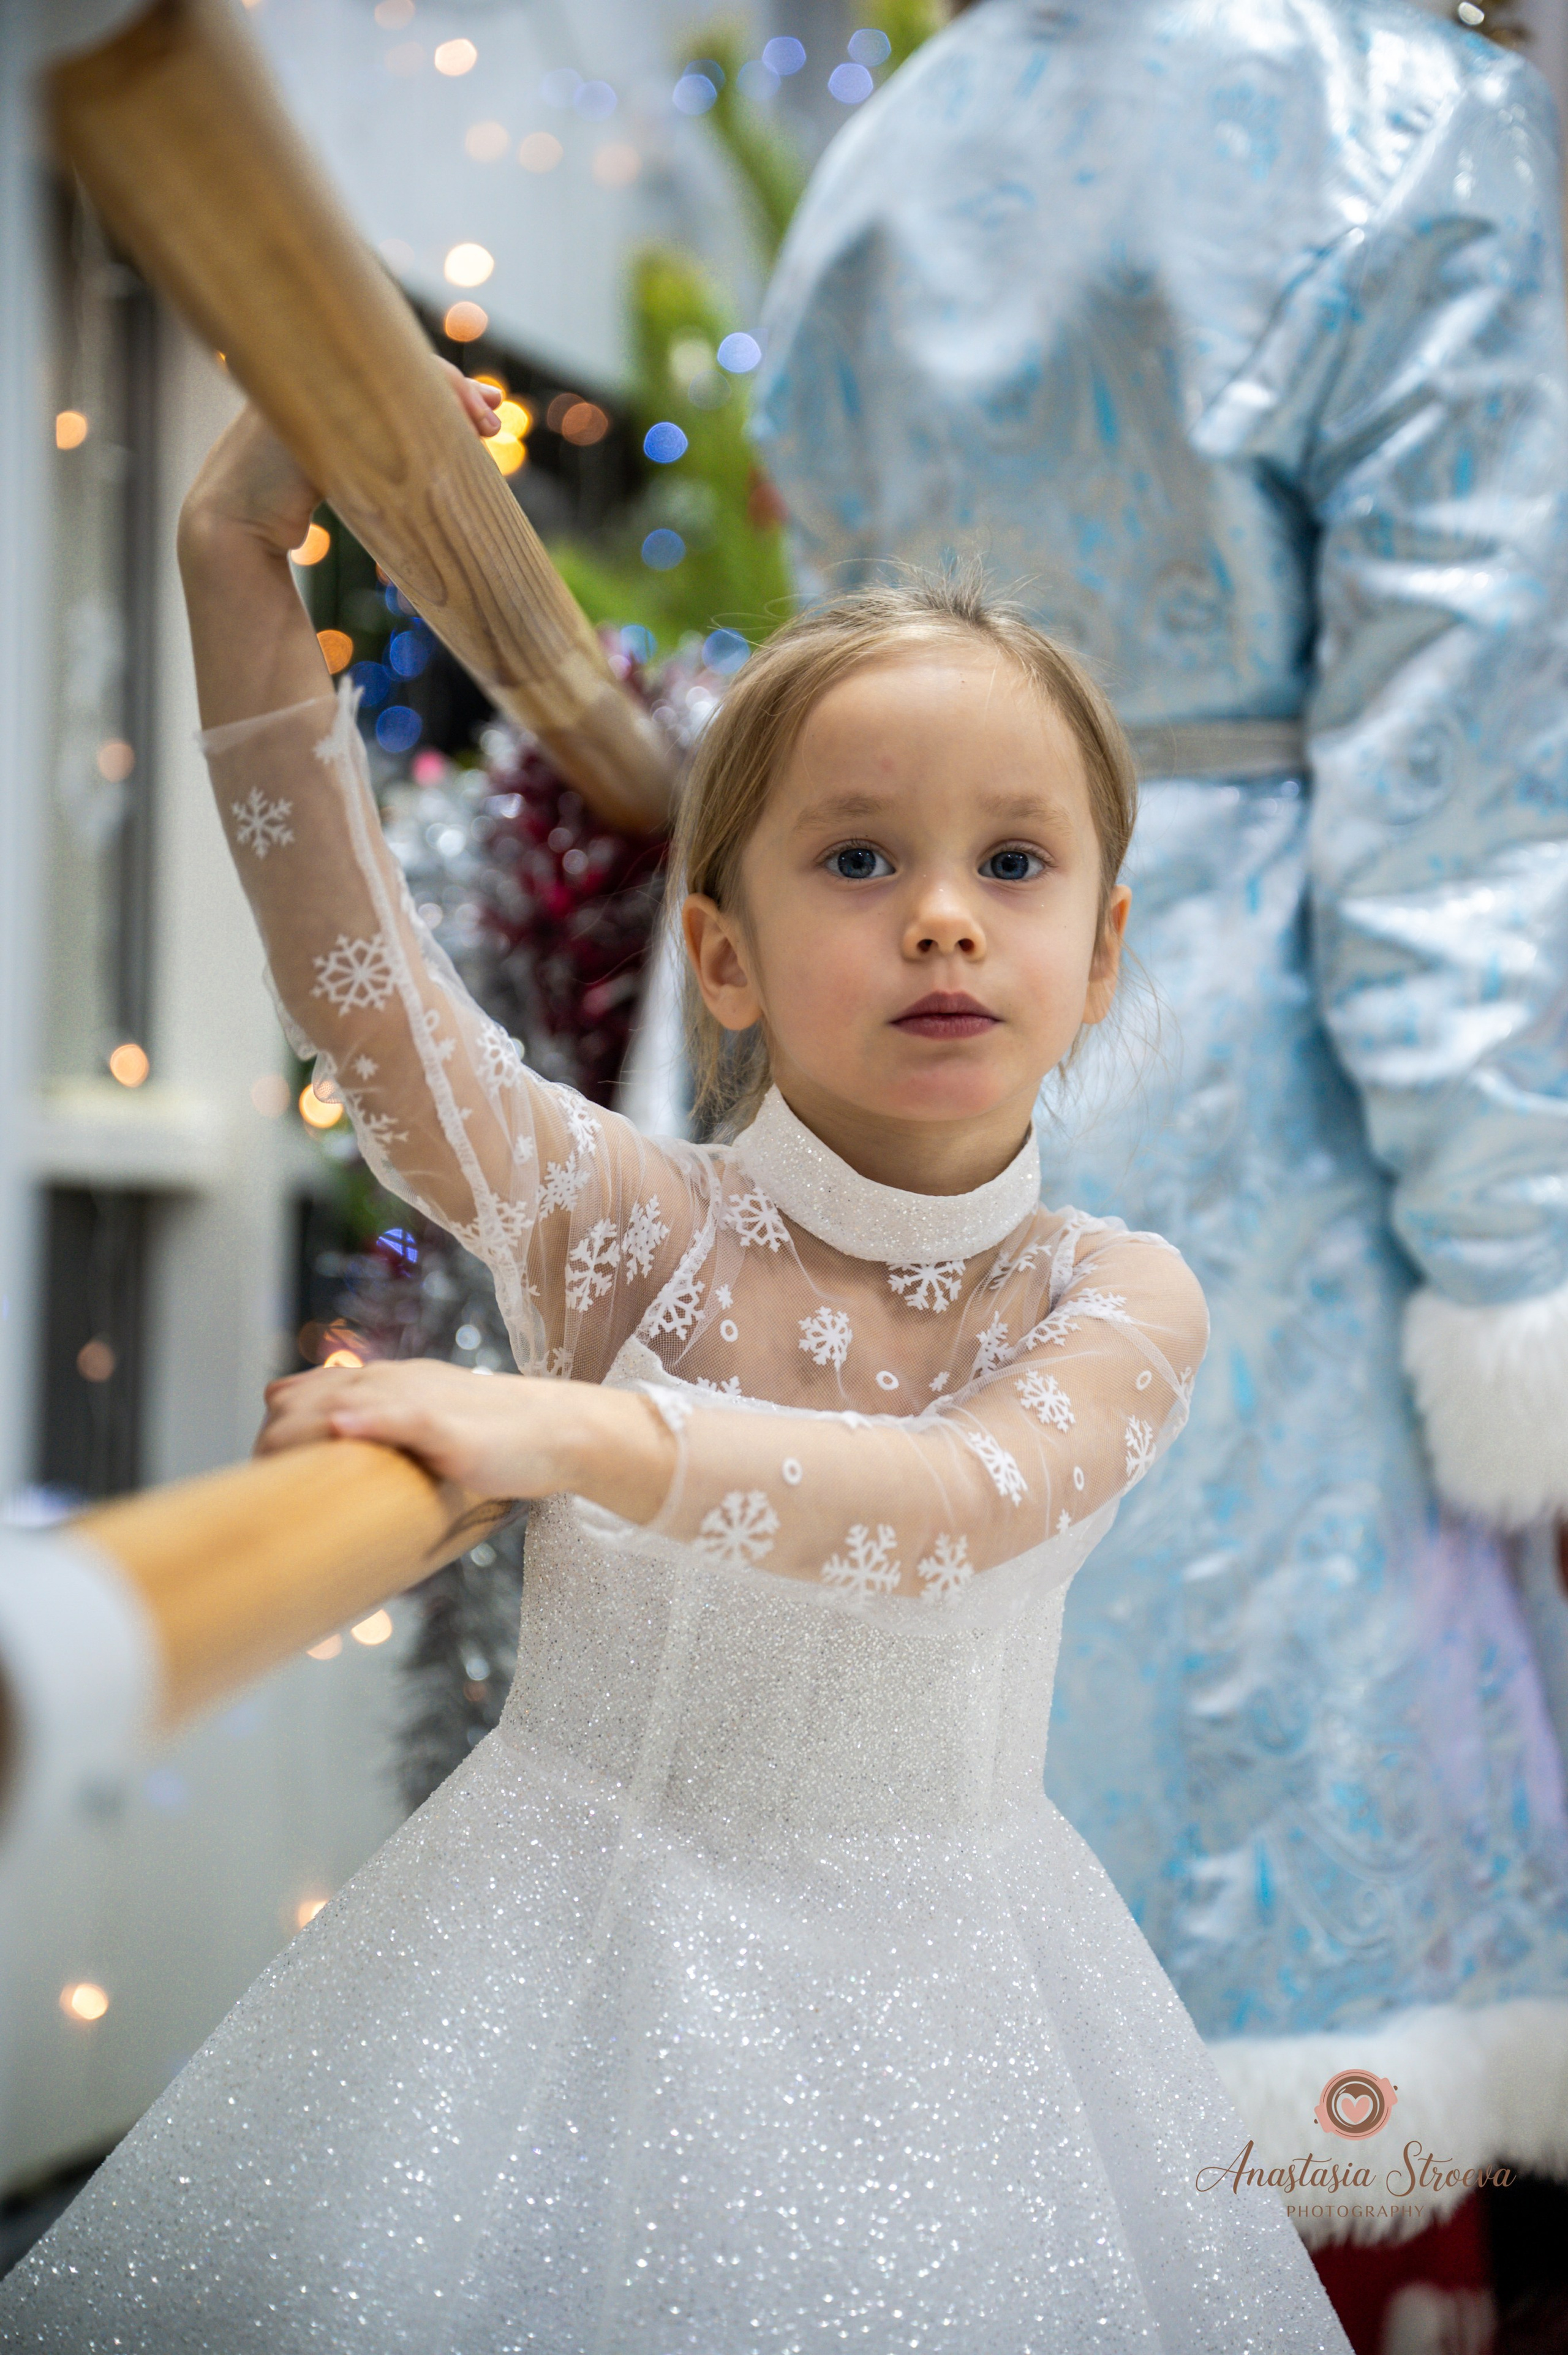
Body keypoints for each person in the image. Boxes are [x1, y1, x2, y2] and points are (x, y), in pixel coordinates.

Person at [0, 386, 1349, 2349]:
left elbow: (960, 1503)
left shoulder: (1116, 1296)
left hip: (958, 2022)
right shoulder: (620, 1219)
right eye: (863, 859)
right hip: (543, 1968)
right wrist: (229, 562)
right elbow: (365, 996)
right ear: (720, 955)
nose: (948, 913)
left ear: (1109, 946)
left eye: (1018, 862)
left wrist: (567, 1428)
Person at [750, 0, 1568, 2216]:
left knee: (906, 2007)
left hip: (887, 1093)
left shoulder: (890, 148)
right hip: (1263, 1122)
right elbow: (1463, 806)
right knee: (1275, 2031)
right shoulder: (1420, 121)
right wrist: (1519, 1277)